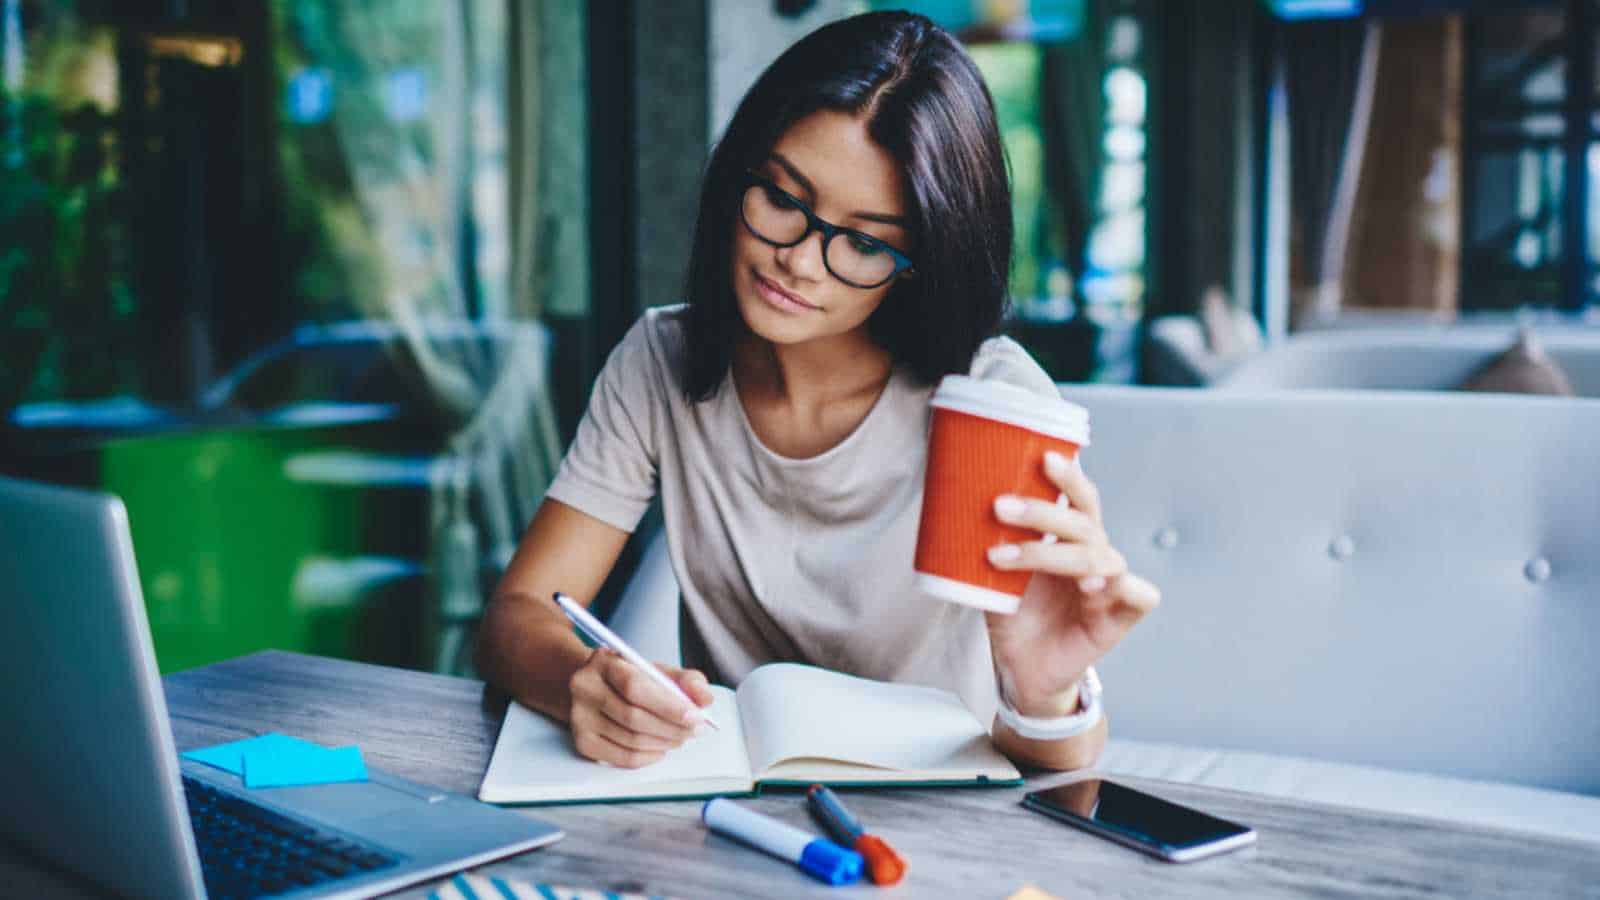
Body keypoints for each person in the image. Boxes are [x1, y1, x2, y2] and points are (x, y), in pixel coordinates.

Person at [476, 10, 1159, 772]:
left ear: (924, 258)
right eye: (780, 198)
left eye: (865, 242)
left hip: (940, 823)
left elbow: (1064, 768)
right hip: (734, 808)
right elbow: (519, 613)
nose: (799, 261)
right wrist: (582, 681)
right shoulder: (661, 360)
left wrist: (1043, 691)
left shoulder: (988, 402)